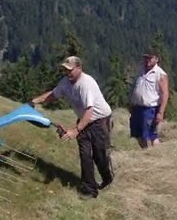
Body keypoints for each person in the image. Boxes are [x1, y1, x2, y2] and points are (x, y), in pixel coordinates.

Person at [30, 56, 114, 198]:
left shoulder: (86, 84)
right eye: (65, 69)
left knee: (100, 156)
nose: (67, 72)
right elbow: (53, 94)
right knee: (85, 155)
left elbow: (89, 111)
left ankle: (107, 178)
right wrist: (34, 101)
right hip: (84, 121)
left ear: (79, 68)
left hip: (100, 120)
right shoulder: (65, 83)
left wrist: (76, 130)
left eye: (70, 70)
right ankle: (90, 190)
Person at [128, 49, 169, 148]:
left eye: (150, 58)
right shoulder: (141, 70)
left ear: (156, 59)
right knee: (137, 134)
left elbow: (165, 94)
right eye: (145, 58)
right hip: (137, 108)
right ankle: (145, 153)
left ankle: (159, 155)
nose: (147, 60)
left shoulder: (160, 74)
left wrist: (160, 112)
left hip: (149, 109)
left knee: (151, 135)